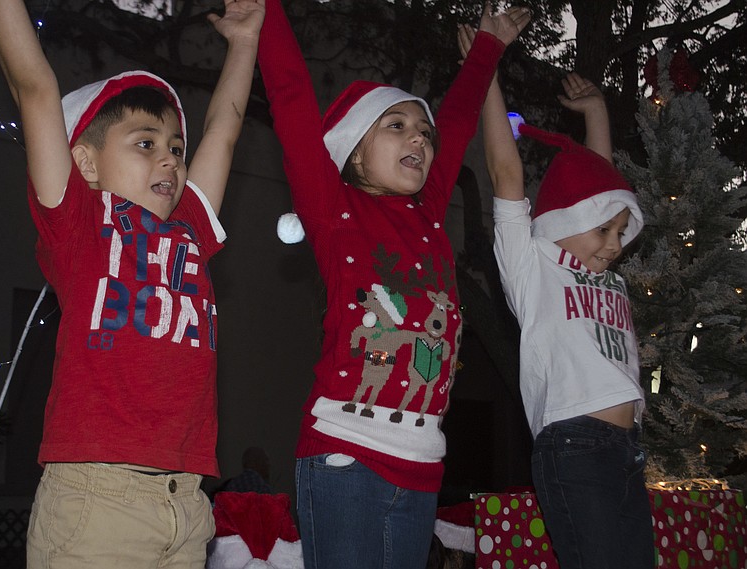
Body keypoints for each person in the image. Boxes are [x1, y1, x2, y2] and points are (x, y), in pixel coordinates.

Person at [0, 0, 264, 567]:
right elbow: (35, 86)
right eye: (145, 144)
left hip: (186, 503)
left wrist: (242, 44)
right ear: (85, 163)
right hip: (96, 501)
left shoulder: (190, 226)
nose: (169, 160)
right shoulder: (80, 226)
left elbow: (226, 130)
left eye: (175, 150)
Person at [256, 3, 529, 567]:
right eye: (397, 126)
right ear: (354, 148)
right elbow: (288, 96)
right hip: (346, 457)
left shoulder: (429, 213)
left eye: (422, 133)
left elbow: (455, 124)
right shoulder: (334, 211)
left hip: (424, 463)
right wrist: (268, 12)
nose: (421, 139)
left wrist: (488, 47)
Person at [474, 22, 654, 568]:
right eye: (604, 232)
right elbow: (507, 171)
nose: (614, 246)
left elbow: (599, 186)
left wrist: (597, 114)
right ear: (570, 221)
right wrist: (487, 68)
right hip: (575, 448)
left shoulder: (606, 277)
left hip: (626, 454)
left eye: (620, 234)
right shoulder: (535, 266)